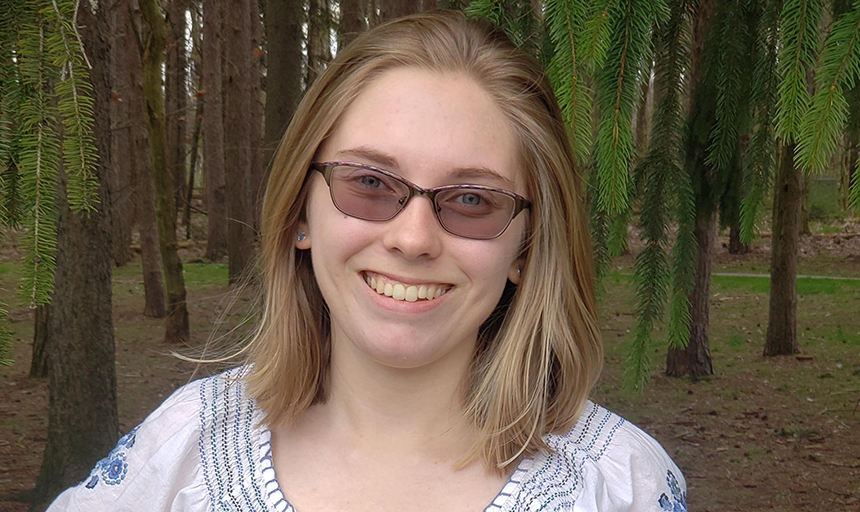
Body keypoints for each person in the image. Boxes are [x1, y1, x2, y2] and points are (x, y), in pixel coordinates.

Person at [47, 10, 686, 512]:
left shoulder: (616, 485)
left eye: (470, 200)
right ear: (301, 211)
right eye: (370, 184)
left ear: (526, 245)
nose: (413, 239)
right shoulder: (179, 457)